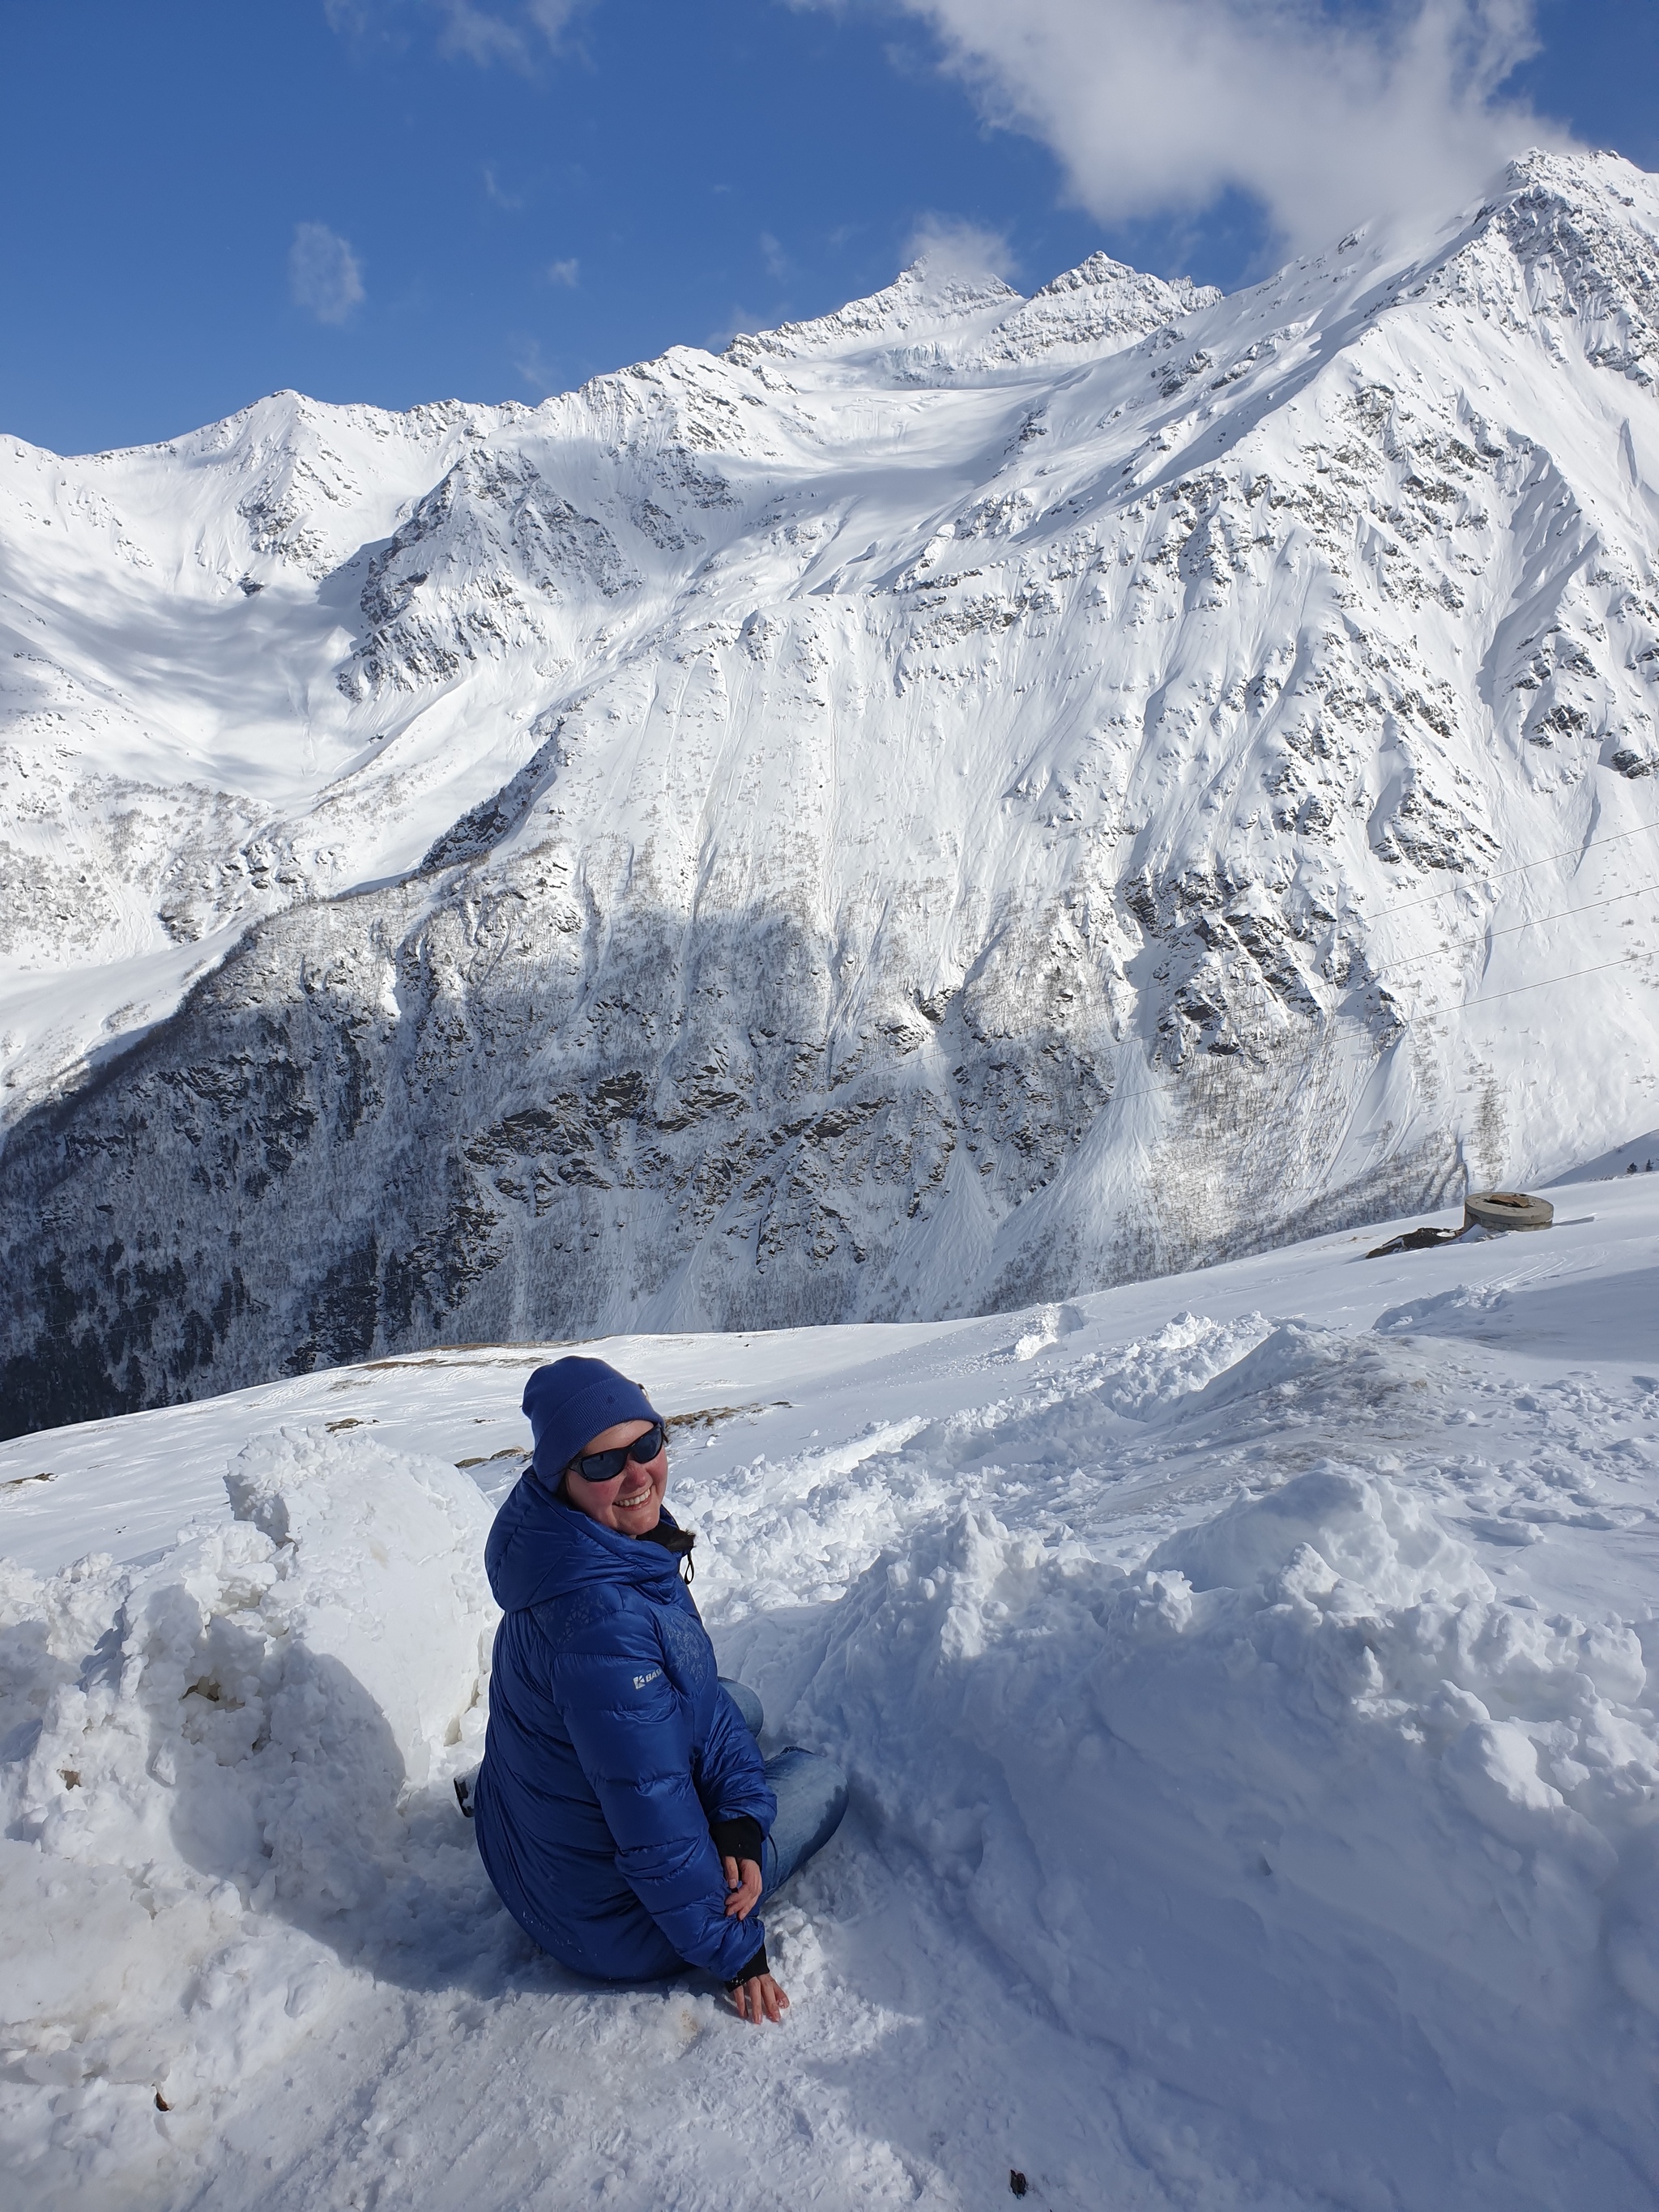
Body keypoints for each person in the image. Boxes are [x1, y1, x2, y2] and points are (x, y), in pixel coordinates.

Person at [471, 1355, 849, 2023]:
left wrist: (735, 1817)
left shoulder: (565, 1547)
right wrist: (735, 1951)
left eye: (647, 1443)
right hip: (605, 1923)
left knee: (738, 1705)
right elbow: (655, 1821)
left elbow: (697, 1702)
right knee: (818, 1780)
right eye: (602, 1463)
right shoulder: (601, 1624)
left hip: (522, 1849)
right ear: (562, 1478)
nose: (638, 1473)